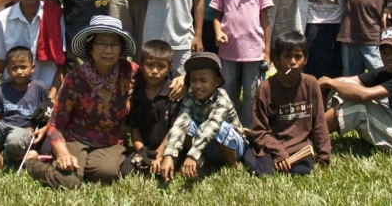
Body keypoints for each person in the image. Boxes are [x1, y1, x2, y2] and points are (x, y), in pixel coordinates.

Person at [23, 16, 139, 188]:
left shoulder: (130, 72)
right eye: (101, 44)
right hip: (75, 138)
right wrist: (63, 154)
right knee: (70, 182)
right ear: (90, 48)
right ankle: (32, 162)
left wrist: (183, 80)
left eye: (114, 44)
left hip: (111, 141)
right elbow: (55, 124)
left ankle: (85, 165)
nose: (108, 50)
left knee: (105, 173)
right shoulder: (74, 79)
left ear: (121, 49)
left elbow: (157, 77)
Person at [245, 32, 331, 176]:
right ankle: (248, 149)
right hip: (270, 145)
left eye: (298, 57)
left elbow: (319, 123)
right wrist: (278, 151)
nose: (293, 62)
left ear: (306, 60)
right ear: (277, 60)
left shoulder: (311, 84)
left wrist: (324, 157)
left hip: (298, 146)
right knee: (264, 173)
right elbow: (260, 130)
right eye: (287, 56)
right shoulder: (265, 89)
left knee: (302, 172)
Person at [210, 0, 273, 127]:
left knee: (251, 93)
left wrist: (267, 51)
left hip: (254, 51)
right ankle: (229, 129)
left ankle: (248, 131)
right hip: (229, 51)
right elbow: (216, 17)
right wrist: (218, 33)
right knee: (228, 90)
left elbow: (265, 21)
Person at [158, 53, 247, 183]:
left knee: (220, 127)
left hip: (233, 147)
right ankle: (203, 163)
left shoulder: (221, 97)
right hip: (207, 145)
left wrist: (192, 154)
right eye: (193, 81)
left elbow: (212, 125)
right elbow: (180, 125)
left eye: (204, 81)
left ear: (217, 82)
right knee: (186, 125)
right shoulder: (189, 99)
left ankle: (232, 165)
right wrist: (169, 154)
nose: (198, 86)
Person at [0, 46, 50, 168]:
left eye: (23, 67)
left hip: (24, 131)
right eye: (14, 68)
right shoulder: (2, 88)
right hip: (4, 127)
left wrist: (44, 127)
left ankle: (6, 160)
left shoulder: (40, 88)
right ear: (7, 70)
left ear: (33, 68)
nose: (19, 71)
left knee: (15, 139)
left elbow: (52, 113)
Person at [127, 40, 181, 177]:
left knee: (163, 172)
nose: (155, 71)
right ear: (141, 64)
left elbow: (174, 130)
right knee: (126, 171)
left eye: (161, 66)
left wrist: (159, 155)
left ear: (169, 68)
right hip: (145, 148)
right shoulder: (137, 93)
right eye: (149, 65)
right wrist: (142, 151)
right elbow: (135, 128)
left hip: (169, 148)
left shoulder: (173, 93)